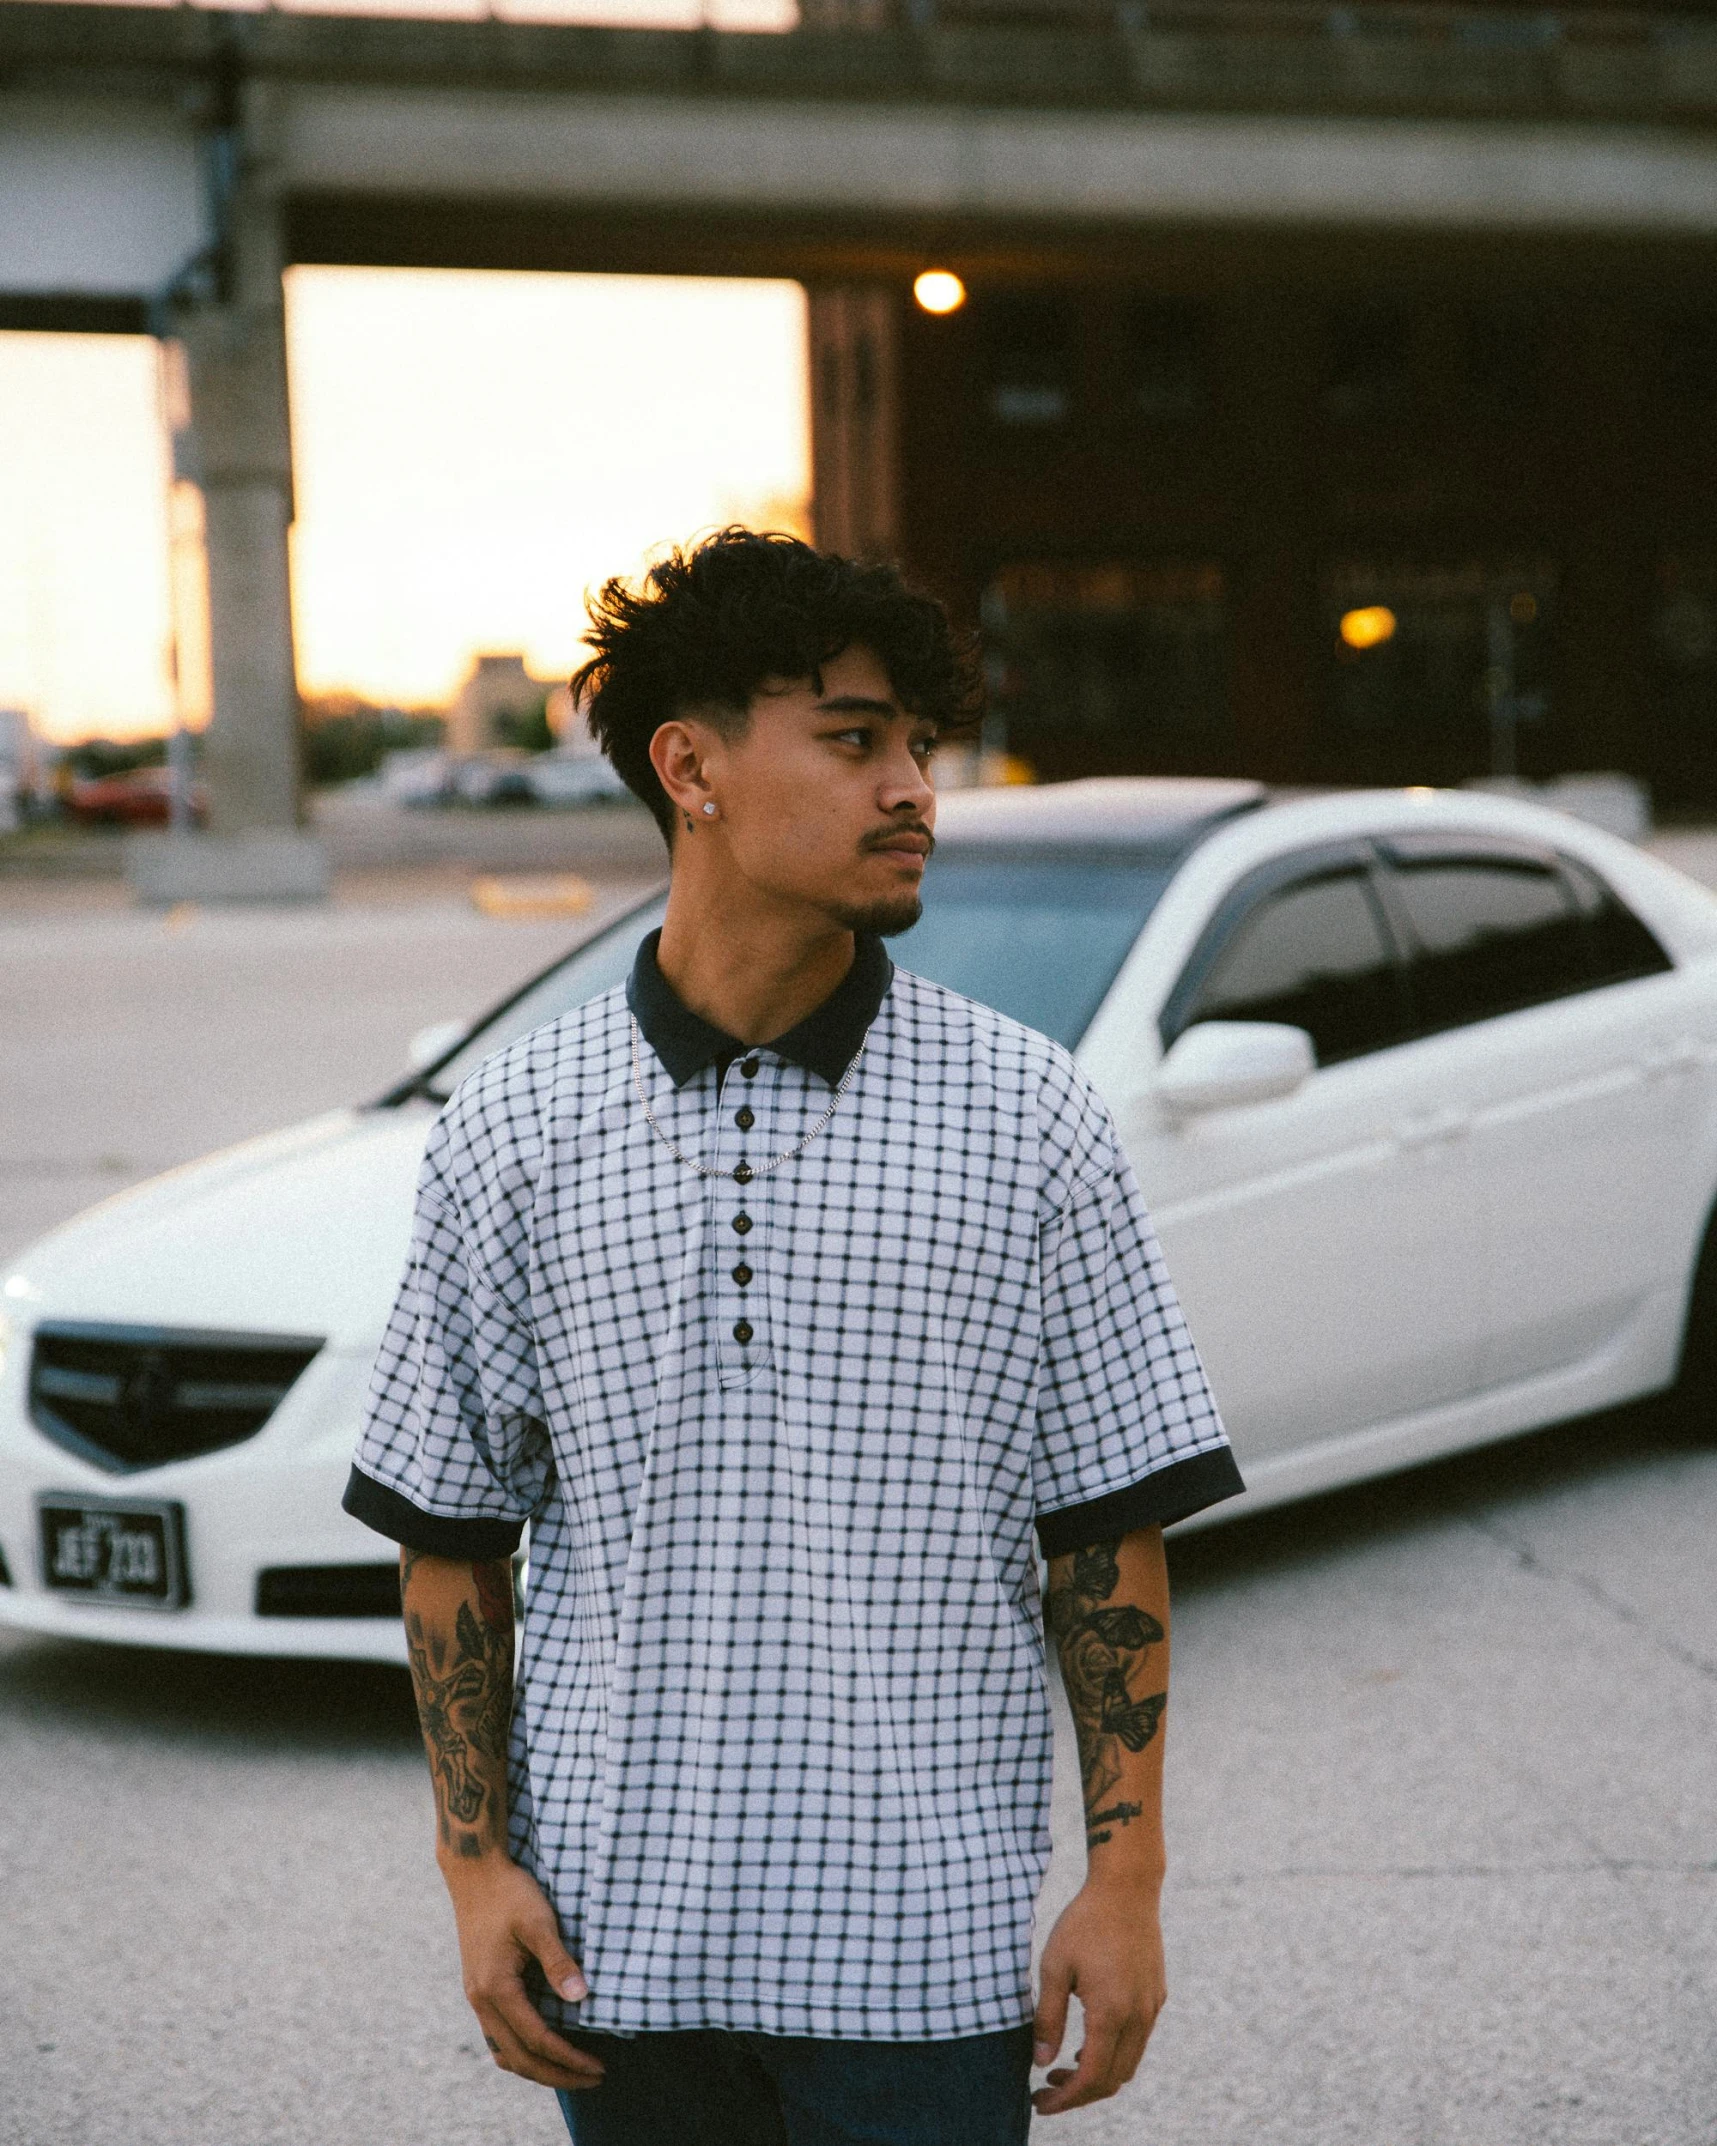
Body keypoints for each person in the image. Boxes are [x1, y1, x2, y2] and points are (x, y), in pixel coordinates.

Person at [344, 529, 1244, 2145]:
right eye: (854, 739)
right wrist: (473, 1869)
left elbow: (1105, 1532)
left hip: (927, 1956)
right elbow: (451, 1536)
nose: (913, 786)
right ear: (688, 766)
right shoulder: (516, 1127)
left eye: (918, 744)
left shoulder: (1027, 1117)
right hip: (619, 1952)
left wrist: (1127, 1880)